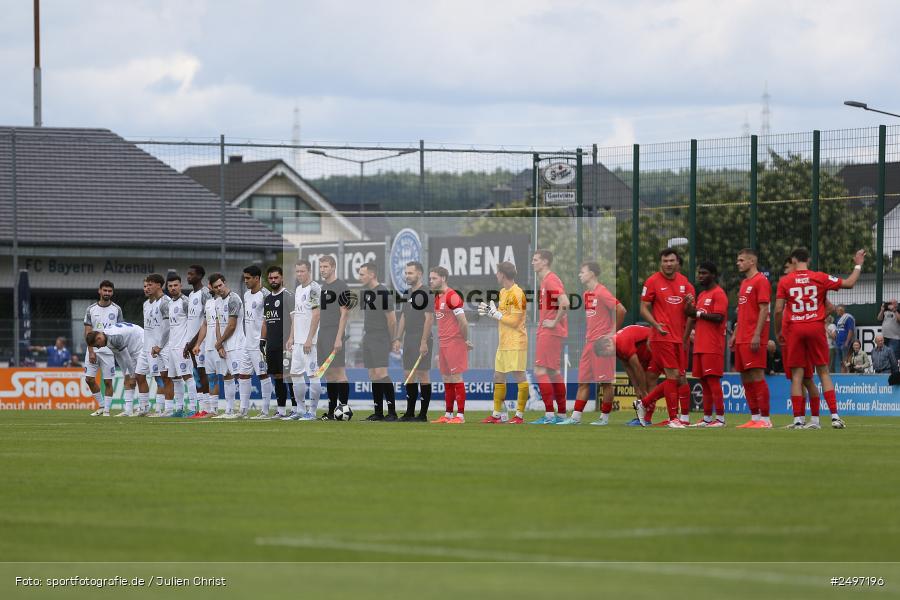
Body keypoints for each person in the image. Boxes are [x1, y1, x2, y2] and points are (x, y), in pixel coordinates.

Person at [775, 247, 865, 429]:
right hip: (815, 327)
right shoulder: (820, 277)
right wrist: (857, 265)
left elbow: (777, 310)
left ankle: (798, 420)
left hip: (795, 329)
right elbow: (849, 283)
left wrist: (778, 332)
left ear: (793, 261)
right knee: (823, 371)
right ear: (807, 260)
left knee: (797, 375)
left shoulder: (785, 281)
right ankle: (834, 417)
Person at [636, 248, 695, 428]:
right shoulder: (652, 281)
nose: (668, 264)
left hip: (678, 338)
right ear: (661, 263)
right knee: (672, 375)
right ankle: (673, 418)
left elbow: (691, 313)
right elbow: (643, 308)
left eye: (671, 261)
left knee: (678, 377)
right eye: (665, 261)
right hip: (661, 336)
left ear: (677, 262)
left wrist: (689, 304)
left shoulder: (685, 283)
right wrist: (655, 324)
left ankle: (644, 403)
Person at [559, 261, 623, 426]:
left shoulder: (602, 291)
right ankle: (575, 418)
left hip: (601, 345)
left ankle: (604, 418)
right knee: (583, 381)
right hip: (589, 344)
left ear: (592, 274)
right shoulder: (587, 294)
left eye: (582, 272)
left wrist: (612, 334)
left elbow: (621, 309)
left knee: (605, 382)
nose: (580, 275)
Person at [477, 261, 528, 424]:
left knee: (519, 375)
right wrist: (492, 313)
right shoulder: (503, 292)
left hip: (516, 342)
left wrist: (496, 315)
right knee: (498, 376)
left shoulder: (517, 293)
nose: (496, 275)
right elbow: (503, 316)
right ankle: (497, 414)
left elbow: (514, 321)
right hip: (504, 342)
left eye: (497, 272)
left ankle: (519, 416)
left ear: (502, 274)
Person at [732, 249, 772, 429]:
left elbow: (764, 309)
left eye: (741, 260)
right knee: (745, 377)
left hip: (753, 336)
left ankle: (765, 418)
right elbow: (742, 312)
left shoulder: (761, 281)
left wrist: (757, 334)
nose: (738, 263)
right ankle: (755, 417)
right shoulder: (744, 283)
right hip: (741, 337)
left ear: (752, 262)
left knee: (757, 375)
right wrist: (734, 334)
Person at [684, 261, 728, 427]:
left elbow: (719, 317)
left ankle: (721, 419)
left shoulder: (719, 294)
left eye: (704, 273)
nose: (700, 276)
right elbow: (692, 314)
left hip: (713, 346)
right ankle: (708, 418)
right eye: (699, 273)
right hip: (700, 345)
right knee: (704, 382)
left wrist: (698, 314)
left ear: (713, 275)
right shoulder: (701, 295)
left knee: (713, 382)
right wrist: (687, 304)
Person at [530, 249, 570, 424]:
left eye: (535, 259)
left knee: (540, 371)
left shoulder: (550, 279)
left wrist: (553, 323)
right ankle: (560, 415)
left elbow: (565, 303)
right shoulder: (546, 280)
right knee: (553, 372)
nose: (533, 262)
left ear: (545, 262)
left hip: (550, 332)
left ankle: (548, 415)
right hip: (552, 332)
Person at [430, 266, 472, 424]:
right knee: (446, 378)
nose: (431, 281)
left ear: (443, 278)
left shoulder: (452, 296)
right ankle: (448, 415)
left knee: (456, 377)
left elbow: (464, 322)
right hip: (443, 344)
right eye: (430, 278)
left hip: (454, 342)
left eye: (434, 278)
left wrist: (464, 340)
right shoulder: (437, 297)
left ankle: (460, 416)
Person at [357, 262, 399, 421]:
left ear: (372, 274)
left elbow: (392, 320)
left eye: (362, 274)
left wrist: (393, 339)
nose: (360, 277)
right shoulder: (366, 292)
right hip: (368, 337)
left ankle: (392, 412)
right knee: (373, 374)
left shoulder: (382, 292)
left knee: (382, 374)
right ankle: (378, 412)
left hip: (381, 337)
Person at [394, 261, 434, 422]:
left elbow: (429, 319)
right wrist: (398, 338)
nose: (407, 275)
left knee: (423, 374)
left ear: (419, 274)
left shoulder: (426, 293)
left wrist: (424, 342)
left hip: (421, 337)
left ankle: (422, 414)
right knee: (408, 374)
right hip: (409, 338)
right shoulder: (407, 293)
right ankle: (409, 412)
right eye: (406, 272)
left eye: (410, 273)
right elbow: (403, 317)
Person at [285, 260, 323, 421]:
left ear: (309, 271)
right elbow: (297, 316)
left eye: (302, 271)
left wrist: (309, 339)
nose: (299, 274)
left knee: (313, 375)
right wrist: (291, 337)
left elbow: (316, 315)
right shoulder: (299, 289)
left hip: (310, 342)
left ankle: (312, 412)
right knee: (295, 374)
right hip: (298, 341)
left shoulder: (314, 289)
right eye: (297, 271)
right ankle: (300, 410)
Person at [317, 255, 353, 419]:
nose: (322, 270)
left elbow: (344, 314)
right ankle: (332, 412)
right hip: (323, 332)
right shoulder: (323, 287)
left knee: (339, 372)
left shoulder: (341, 286)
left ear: (333, 267)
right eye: (321, 267)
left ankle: (344, 410)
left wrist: (339, 338)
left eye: (325, 267)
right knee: (329, 374)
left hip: (334, 332)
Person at [237, 265, 273, 419]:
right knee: (243, 375)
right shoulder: (246, 295)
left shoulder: (266, 295)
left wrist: (263, 341)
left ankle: (265, 411)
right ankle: (243, 411)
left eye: (248, 278)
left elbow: (267, 321)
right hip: (247, 342)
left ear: (257, 278)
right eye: (244, 278)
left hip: (260, 344)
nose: (245, 281)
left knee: (263, 375)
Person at [86, 323, 145, 416]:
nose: (98, 347)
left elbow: (126, 358)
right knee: (127, 378)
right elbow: (119, 356)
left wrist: (132, 376)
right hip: (132, 345)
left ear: (99, 338)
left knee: (139, 376)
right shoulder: (106, 339)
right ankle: (128, 411)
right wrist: (125, 374)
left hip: (140, 342)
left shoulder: (114, 338)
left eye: (97, 345)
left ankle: (144, 409)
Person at [159, 273, 198, 417]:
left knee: (188, 376)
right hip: (171, 346)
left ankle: (194, 408)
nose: (173, 288)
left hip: (183, 346)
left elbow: (193, 324)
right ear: (167, 287)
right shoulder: (168, 304)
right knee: (175, 379)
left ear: (181, 285)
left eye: (176, 285)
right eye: (170, 286)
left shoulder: (186, 302)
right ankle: (180, 409)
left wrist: (189, 345)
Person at [83, 280, 123, 416]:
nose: (107, 293)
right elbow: (88, 332)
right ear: (99, 291)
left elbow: (120, 330)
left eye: (110, 291)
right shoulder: (91, 309)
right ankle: (101, 406)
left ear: (112, 292)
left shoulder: (117, 309)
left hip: (108, 351)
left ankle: (106, 410)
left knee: (108, 381)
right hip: (93, 350)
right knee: (89, 379)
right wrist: (91, 351)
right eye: (104, 290)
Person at [209, 273, 245, 419]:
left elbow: (231, 325)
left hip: (236, 344)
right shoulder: (217, 302)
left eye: (220, 285)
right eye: (216, 287)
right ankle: (229, 410)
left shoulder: (234, 299)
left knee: (240, 376)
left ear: (225, 282)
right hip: (224, 345)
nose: (219, 289)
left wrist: (219, 342)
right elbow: (218, 324)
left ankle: (242, 410)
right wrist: (220, 345)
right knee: (226, 376)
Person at [263, 265, 295, 419]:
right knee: (277, 376)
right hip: (272, 344)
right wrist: (264, 341)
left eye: (276, 277)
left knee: (289, 375)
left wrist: (291, 338)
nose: (273, 280)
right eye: (270, 278)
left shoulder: (288, 296)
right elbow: (266, 322)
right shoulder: (268, 298)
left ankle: (296, 408)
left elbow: (294, 319)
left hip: (286, 344)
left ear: (282, 278)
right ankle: (281, 410)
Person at [136, 274, 170, 416]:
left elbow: (167, 327)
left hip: (157, 347)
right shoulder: (146, 304)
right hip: (146, 347)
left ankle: (159, 409)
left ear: (158, 285)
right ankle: (144, 408)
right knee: (139, 375)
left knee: (160, 378)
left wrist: (160, 346)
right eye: (145, 285)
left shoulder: (165, 301)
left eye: (150, 285)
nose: (147, 288)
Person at [184, 265, 214, 417]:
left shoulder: (205, 293)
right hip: (191, 341)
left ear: (200, 276)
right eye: (188, 274)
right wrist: (187, 342)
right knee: (196, 373)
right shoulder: (190, 295)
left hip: (201, 341)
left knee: (203, 372)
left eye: (191, 274)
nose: (188, 276)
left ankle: (208, 408)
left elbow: (206, 320)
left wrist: (195, 342)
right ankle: (202, 408)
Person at [193, 278, 225, 417]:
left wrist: (221, 343)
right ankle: (213, 410)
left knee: (228, 376)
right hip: (208, 347)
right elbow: (205, 324)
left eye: (210, 285)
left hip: (221, 346)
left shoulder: (225, 301)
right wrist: (198, 344)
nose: (209, 287)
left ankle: (232, 409)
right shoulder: (209, 303)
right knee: (211, 377)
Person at [615, 325, 655, 425]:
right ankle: (642, 418)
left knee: (650, 381)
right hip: (644, 353)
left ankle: (646, 418)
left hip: (653, 345)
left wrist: (642, 389)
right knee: (643, 388)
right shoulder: (614, 345)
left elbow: (637, 368)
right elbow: (628, 367)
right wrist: (636, 387)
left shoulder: (621, 342)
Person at [834, 305, 856, 373]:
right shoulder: (838, 319)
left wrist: (847, 342)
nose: (836, 312)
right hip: (838, 343)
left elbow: (850, 330)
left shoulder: (848, 318)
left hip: (845, 343)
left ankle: (847, 375)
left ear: (841, 310)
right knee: (841, 362)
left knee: (846, 361)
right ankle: (842, 375)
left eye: (837, 310)